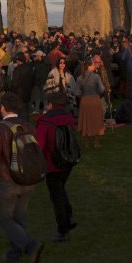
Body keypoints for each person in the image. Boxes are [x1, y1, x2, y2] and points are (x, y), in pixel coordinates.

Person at [0, 92, 44, 263]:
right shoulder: (28, 125)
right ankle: (15, 252)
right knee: (18, 217)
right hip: (27, 178)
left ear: (2, 108)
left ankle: (30, 245)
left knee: (4, 219)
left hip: (6, 180)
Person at [35, 92, 79, 243]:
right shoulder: (68, 118)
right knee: (61, 189)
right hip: (68, 161)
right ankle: (69, 216)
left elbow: (40, 146)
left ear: (50, 104)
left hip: (52, 164)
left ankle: (63, 230)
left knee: (56, 196)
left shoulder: (44, 122)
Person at [76, 60, 106, 149]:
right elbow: (102, 89)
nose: (94, 66)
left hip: (84, 100)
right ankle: (96, 142)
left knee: (86, 121)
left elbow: (77, 93)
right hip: (95, 100)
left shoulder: (79, 78)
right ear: (89, 67)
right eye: (92, 65)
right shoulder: (96, 77)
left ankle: (86, 143)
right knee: (96, 121)